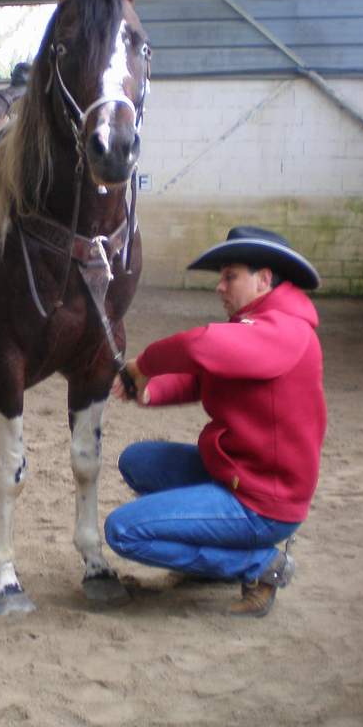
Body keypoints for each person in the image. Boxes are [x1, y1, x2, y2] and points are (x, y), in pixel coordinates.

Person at [104, 226, 327, 617]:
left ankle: (259, 566)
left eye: (230, 276)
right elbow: (204, 378)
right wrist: (151, 391)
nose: (220, 287)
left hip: (263, 503)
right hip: (238, 473)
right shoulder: (259, 326)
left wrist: (143, 366)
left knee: (123, 531)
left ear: (264, 279)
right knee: (137, 461)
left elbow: (198, 346)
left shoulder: (286, 330)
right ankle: (211, 562)